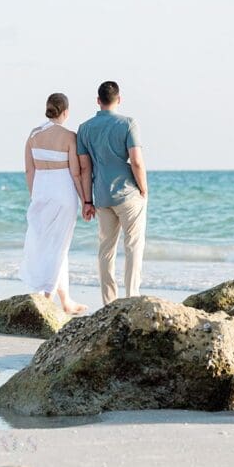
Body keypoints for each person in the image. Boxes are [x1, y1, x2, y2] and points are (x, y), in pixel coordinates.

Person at [76, 81, 148, 304]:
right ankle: (132, 297)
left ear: (98, 100)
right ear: (119, 99)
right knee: (133, 245)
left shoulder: (84, 128)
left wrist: (87, 201)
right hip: (127, 194)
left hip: (101, 196)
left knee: (106, 250)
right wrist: (143, 188)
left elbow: (85, 168)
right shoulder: (128, 123)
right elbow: (136, 161)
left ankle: (109, 302)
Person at [18, 92, 89, 315]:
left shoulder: (33, 135)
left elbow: (29, 170)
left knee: (45, 244)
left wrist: (35, 195)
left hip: (41, 192)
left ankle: (65, 300)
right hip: (63, 193)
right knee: (60, 246)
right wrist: (86, 200)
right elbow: (76, 173)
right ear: (65, 112)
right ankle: (48, 297)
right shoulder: (69, 136)